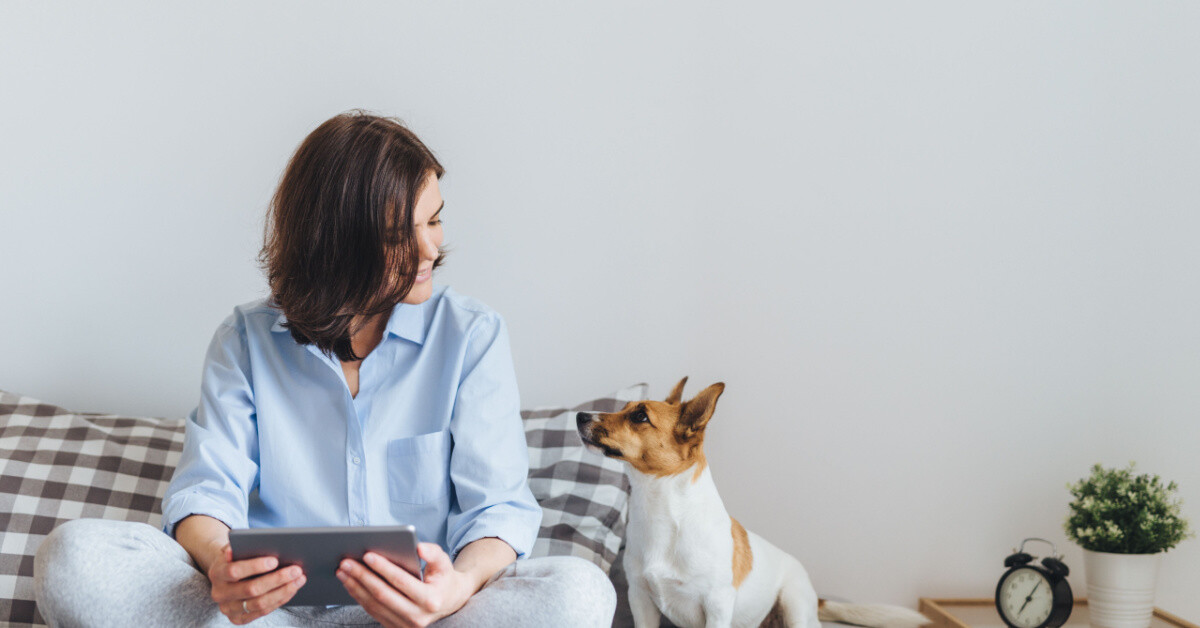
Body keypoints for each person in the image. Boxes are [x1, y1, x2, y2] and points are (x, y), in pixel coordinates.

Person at [33, 110, 616, 627]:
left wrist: (455, 588)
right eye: (397, 235)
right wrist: (222, 567)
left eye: (433, 221)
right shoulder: (245, 340)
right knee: (74, 558)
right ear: (332, 242)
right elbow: (207, 493)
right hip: (267, 616)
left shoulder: (471, 336)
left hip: (422, 618)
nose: (430, 250)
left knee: (580, 595)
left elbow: (498, 509)